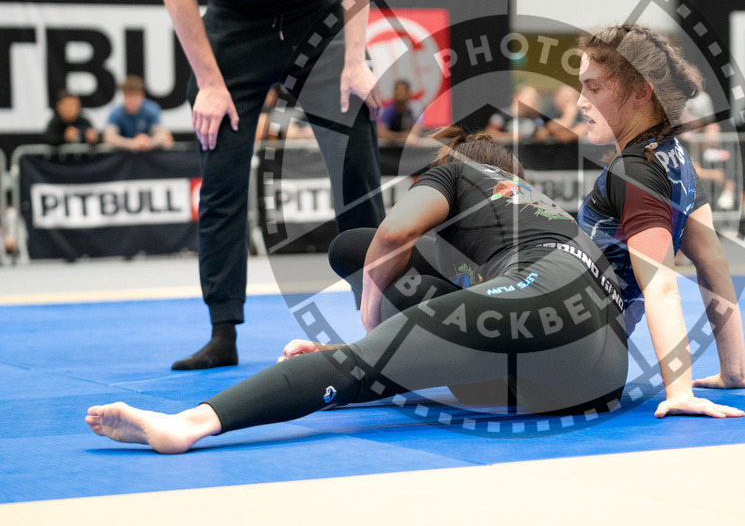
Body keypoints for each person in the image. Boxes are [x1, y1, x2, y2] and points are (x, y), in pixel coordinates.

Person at [87, 129, 645, 453]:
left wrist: (368, 330)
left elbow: (390, 234)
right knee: (407, 341)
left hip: (541, 308)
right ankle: (363, 359)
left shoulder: (456, 174)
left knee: (360, 339)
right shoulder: (534, 217)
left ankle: (187, 426)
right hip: (598, 377)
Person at [163, 0, 384, 370]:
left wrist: (355, 59)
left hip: (318, 12)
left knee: (356, 166)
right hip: (237, 22)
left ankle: (380, 320)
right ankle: (222, 331)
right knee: (221, 175)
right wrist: (209, 82)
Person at [575, 24, 745, 416]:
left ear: (642, 92)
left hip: (570, 358)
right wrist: (733, 371)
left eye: (593, 89)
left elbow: (661, 287)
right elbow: (714, 265)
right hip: (594, 358)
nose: (580, 102)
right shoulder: (674, 155)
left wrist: (679, 392)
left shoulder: (636, 171)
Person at [103, 75, 174, 151]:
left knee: (168, 141)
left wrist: (148, 142)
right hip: (124, 153)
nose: (131, 100)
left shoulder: (151, 109)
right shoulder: (116, 112)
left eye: (134, 96)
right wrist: (132, 144)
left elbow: (162, 135)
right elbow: (109, 138)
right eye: (128, 96)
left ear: (142, 96)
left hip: (148, 153)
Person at [487, 84, 551, 142]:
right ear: (516, 97)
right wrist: (512, 136)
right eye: (530, 98)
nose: (533, 101)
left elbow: (543, 131)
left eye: (535, 99)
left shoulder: (535, 117)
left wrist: (543, 133)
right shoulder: (502, 115)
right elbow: (490, 134)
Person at [377, 79, 420, 143]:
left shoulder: (411, 112)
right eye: (398, 90)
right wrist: (402, 136)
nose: (400, 93)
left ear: (408, 94)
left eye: (403, 91)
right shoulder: (388, 111)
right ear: (394, 93)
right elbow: (382, 133)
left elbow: (415, 133)